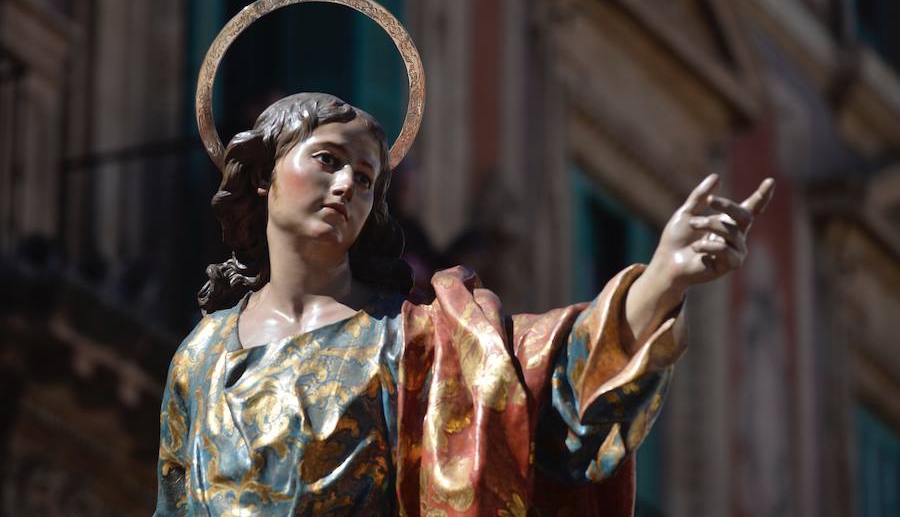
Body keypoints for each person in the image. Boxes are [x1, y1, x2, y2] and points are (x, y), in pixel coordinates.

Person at [155, 92, 773, 516]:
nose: (347, 185)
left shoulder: (420, 339)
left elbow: (552, 388)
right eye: (328, 160)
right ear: (263, 175)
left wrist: (663, 278)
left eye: (366, 178)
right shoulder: (201, 356)